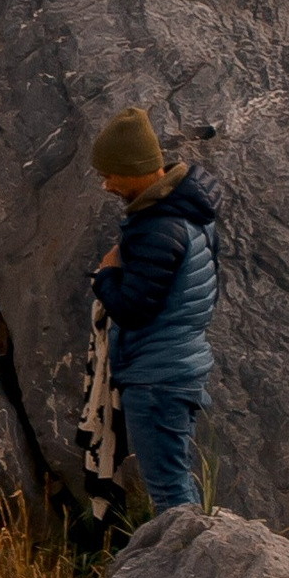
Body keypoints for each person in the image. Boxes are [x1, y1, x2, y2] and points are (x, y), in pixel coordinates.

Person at [88, 105, 221, 516]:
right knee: (174, 480)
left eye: (111, 174)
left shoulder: (157, 229)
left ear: (135, 168)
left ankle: (194, 571)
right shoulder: (189, 213)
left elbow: (133, 310)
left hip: (157, 378)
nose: (107, 185)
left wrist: (106, 275)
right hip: (178, 368)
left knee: (169, 492)